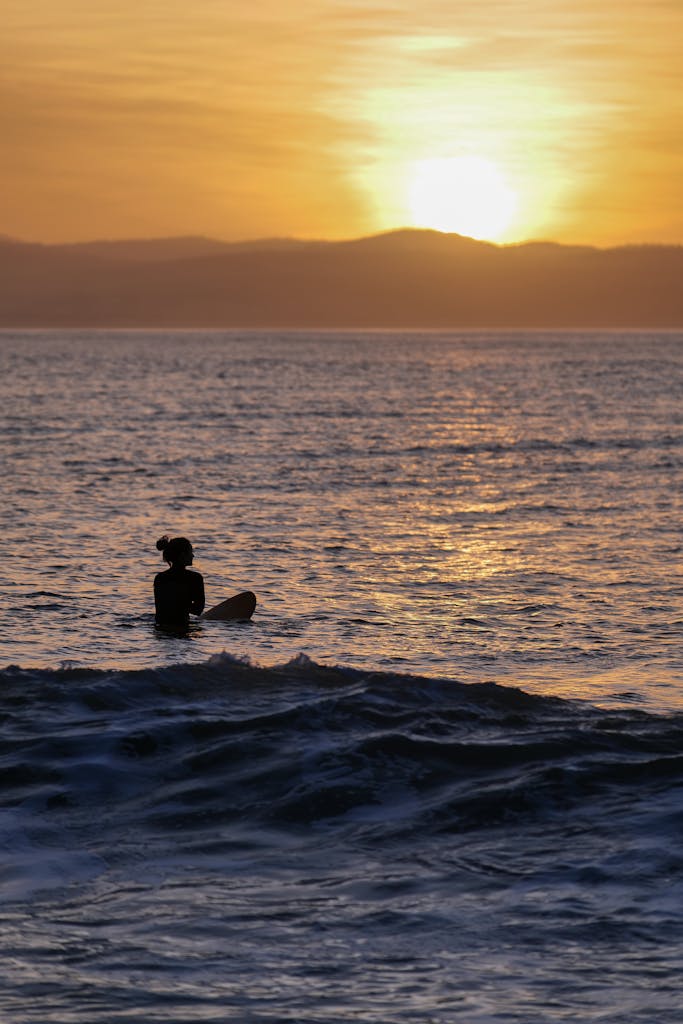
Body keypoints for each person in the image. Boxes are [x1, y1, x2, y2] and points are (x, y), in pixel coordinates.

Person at [154, 535, 205, 626]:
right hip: (182, 626)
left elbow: (160, 611)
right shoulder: (195, 578)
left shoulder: (159, 578)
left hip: (161, 628)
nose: (193, 555)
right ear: (182, 555)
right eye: (190, 552)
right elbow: (198, 610)